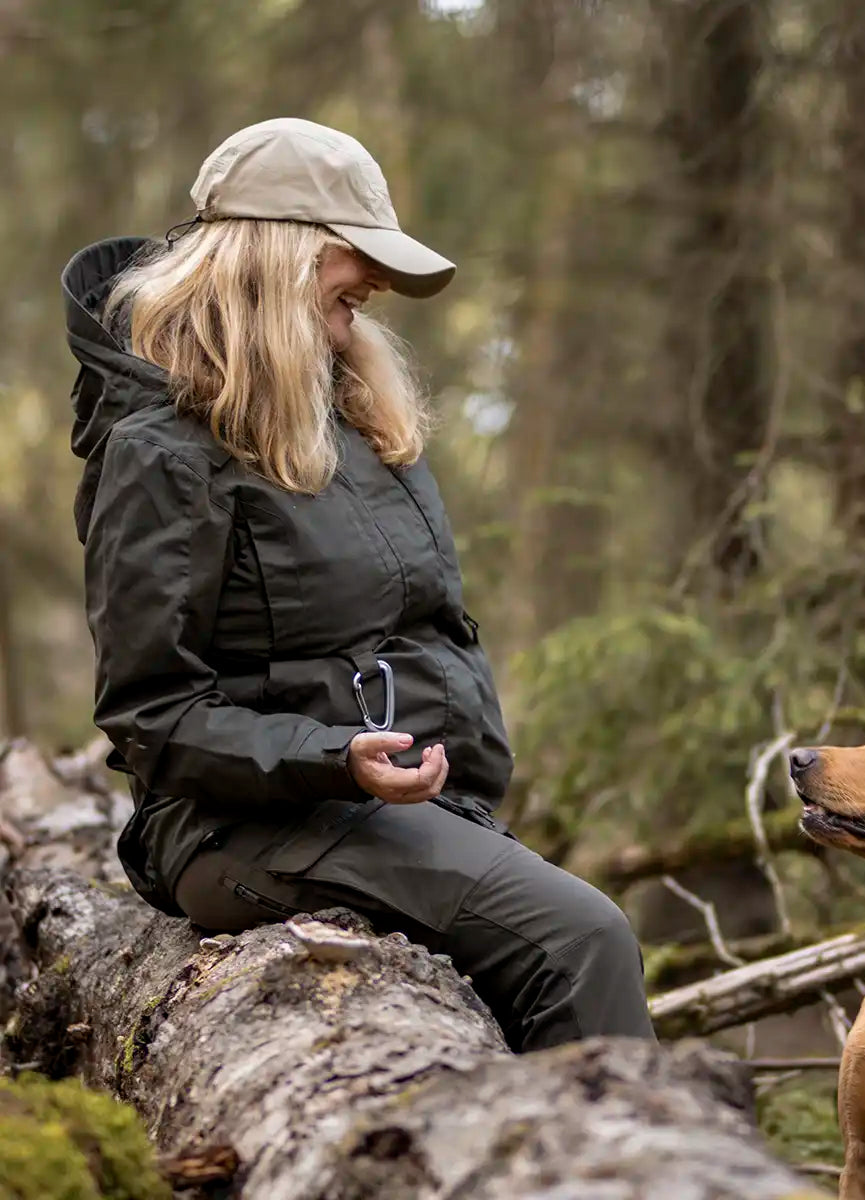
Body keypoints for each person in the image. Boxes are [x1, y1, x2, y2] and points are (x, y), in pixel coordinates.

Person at [63, 117, 655, 1053]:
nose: (376, 285)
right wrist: (331, 756)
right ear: (277, 261)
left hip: (383, 810)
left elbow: (421, 628)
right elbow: (153, 715)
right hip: (239, 827)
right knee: (581, 940)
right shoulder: (162, 453)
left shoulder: (346, 416)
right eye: (354, 258)